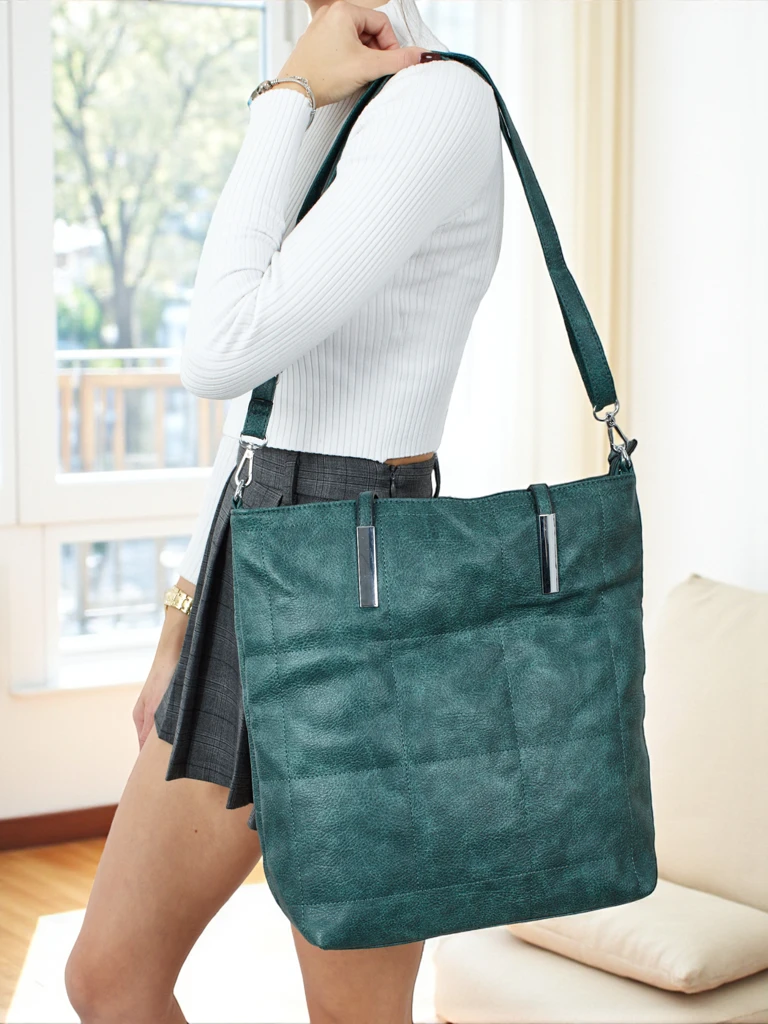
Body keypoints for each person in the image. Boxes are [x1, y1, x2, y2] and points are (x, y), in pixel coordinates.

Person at [65, 1, 503, 1021]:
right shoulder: (340, 97)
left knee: (353, 1014)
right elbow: (257, 411)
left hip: (363, 569)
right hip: (254, 536)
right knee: (109, 976)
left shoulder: (437, 102)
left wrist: (285, 94)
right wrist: (178, 624)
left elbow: (219, 351)